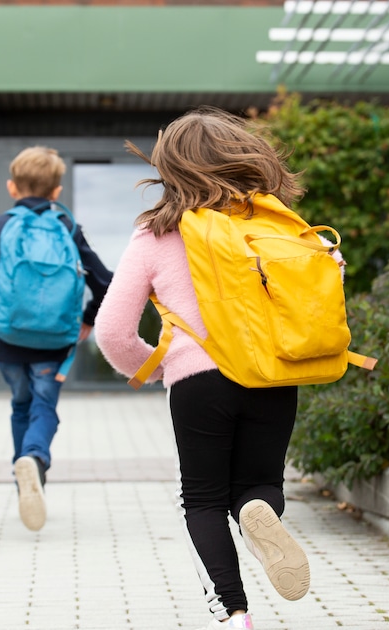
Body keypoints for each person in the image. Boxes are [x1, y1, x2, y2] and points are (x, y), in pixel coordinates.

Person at [94, 108, 320, 630]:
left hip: (199, 381)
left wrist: (154, 369)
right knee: (261, 482)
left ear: (173, 168)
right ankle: (257, 512)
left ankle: (234, 611)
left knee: (201, 498)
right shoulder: (278, 226)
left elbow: (113, 330)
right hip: (271, 376)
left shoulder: (156, 233)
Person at [0, 146, 113, 532]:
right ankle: (34, 459)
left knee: (20, 405)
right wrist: (88, 319)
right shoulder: (67, 228)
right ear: (56, 192)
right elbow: (106, 282)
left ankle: (24, 478)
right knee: (43, 405)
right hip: (55, 341)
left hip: (9, 339)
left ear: (12, 188)